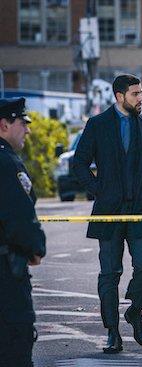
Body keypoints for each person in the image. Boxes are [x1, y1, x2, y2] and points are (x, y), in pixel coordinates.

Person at [73, 74, 142, 354]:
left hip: (140, 209)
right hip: (109, 210)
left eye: (141, 93)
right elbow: (79, 164)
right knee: (110, 273)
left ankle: (135, 311)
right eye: (135, 94)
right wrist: (98, 190)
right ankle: (112, 332)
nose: (141, 98)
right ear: (119, 96)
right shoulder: (98, 124)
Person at [0, 98, 46, 366]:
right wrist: (35, 248)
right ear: (4, 125)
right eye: (22, 123)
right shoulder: (7, 164)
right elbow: (21, 216)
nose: (27, 130)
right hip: (6, 275)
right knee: (14, 348)